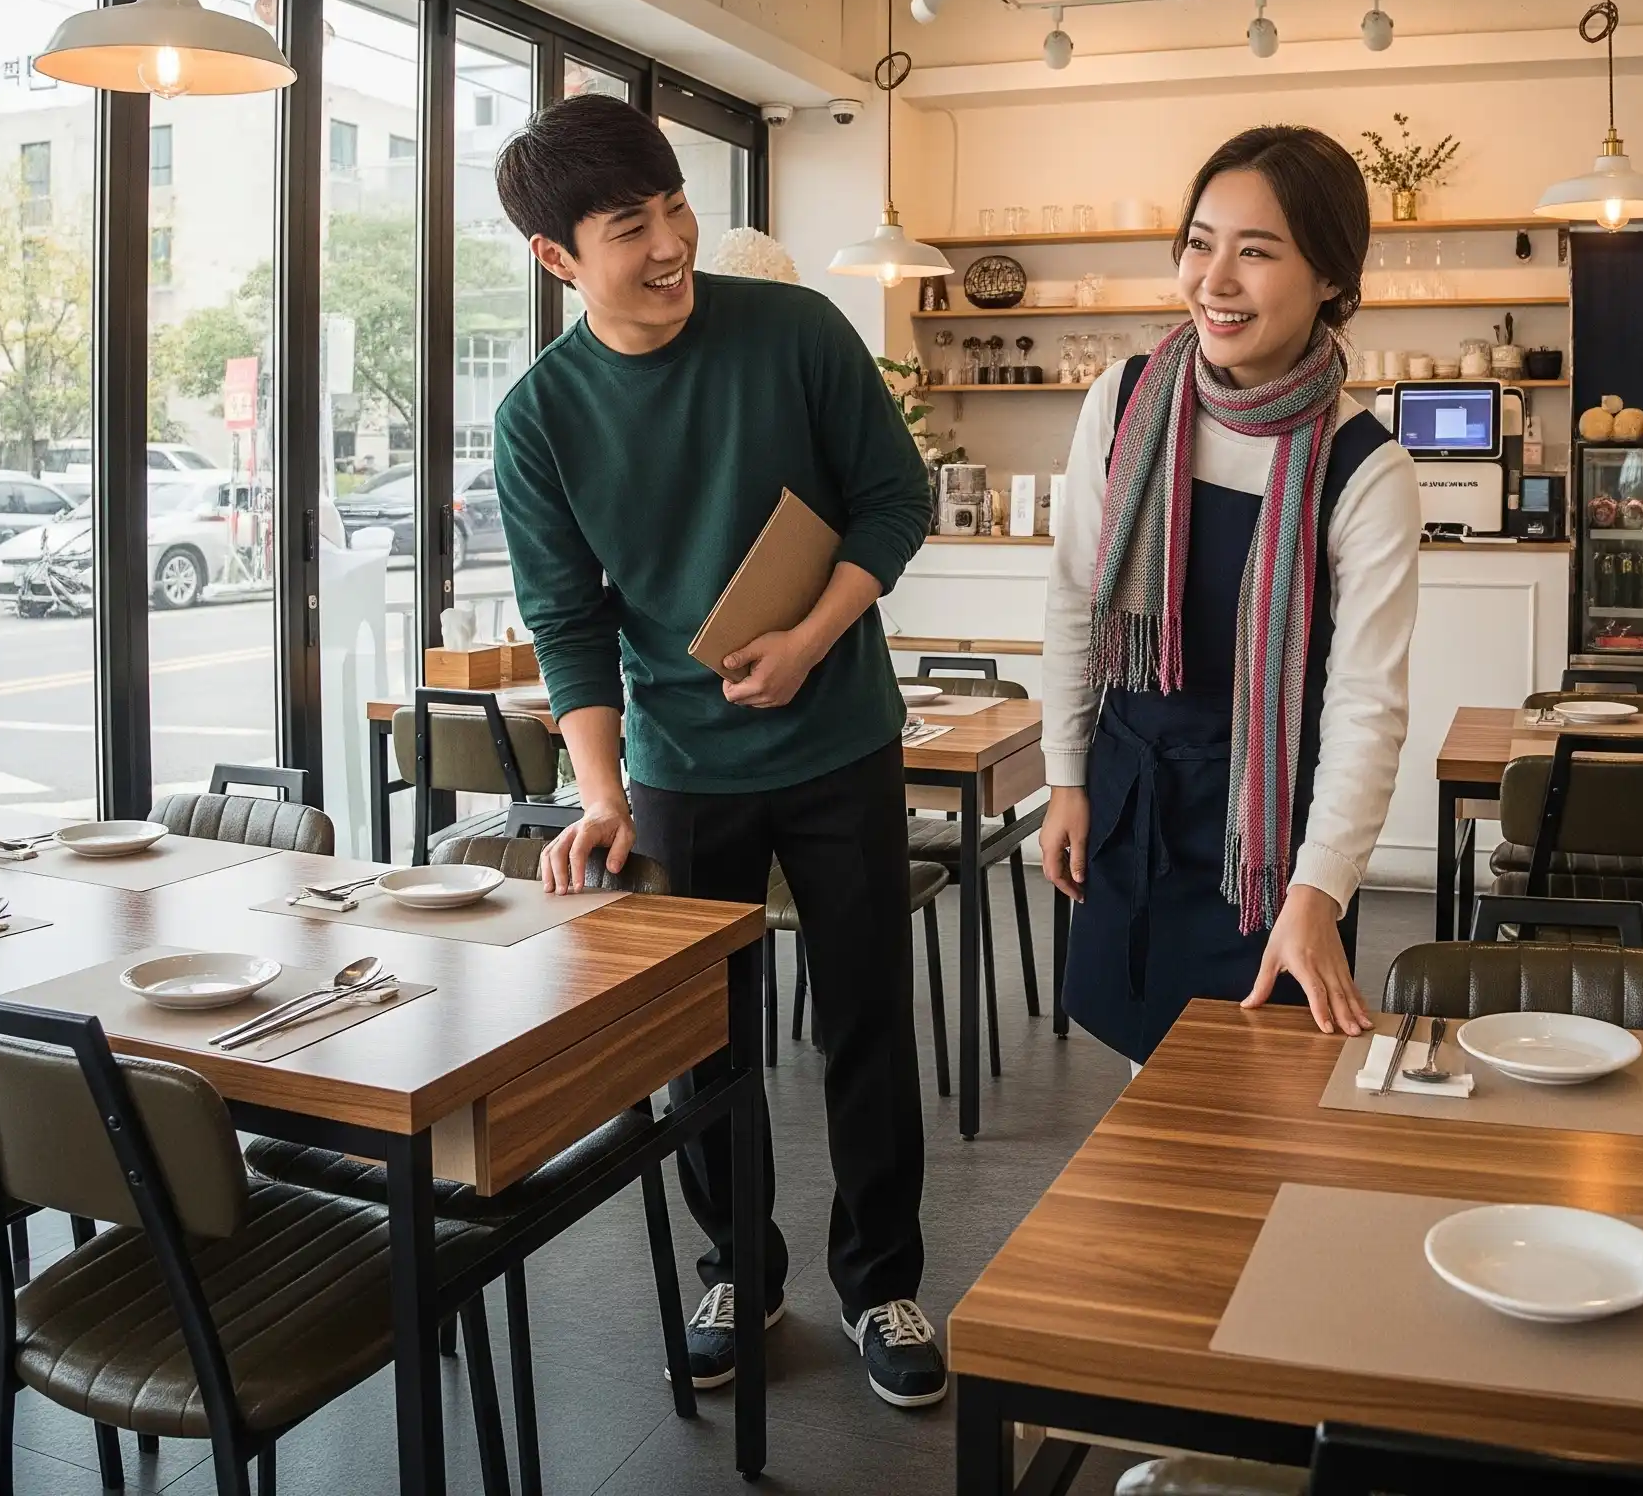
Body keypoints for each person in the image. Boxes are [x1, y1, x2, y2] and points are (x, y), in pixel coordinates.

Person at [489, 95, 946, 1410]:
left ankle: (883, 1284)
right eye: (631, 227)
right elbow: (569, 624)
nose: (672, 242)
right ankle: (737, 1266)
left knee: (865, 1016)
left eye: (675, 208)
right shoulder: (542, 419)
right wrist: (602, 795)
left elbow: (891, 498)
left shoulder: (795, 331)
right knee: (709, 1043)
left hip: (841, 734)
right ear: (559, 258)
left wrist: (811, 636)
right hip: (684, 768)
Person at [1037, 126, 1421, 1064]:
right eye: (1201, 243)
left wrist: (1319, 890)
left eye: (1257, 252)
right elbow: (1076, 600)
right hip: (1132, 795)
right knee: (1139, 1074)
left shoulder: (1365, 468)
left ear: (1332, 275)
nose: (1215, 278)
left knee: (1255, 1094)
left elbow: (1365, 706)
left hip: (1268, 840)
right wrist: (1066, 776)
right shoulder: (1125, 402)